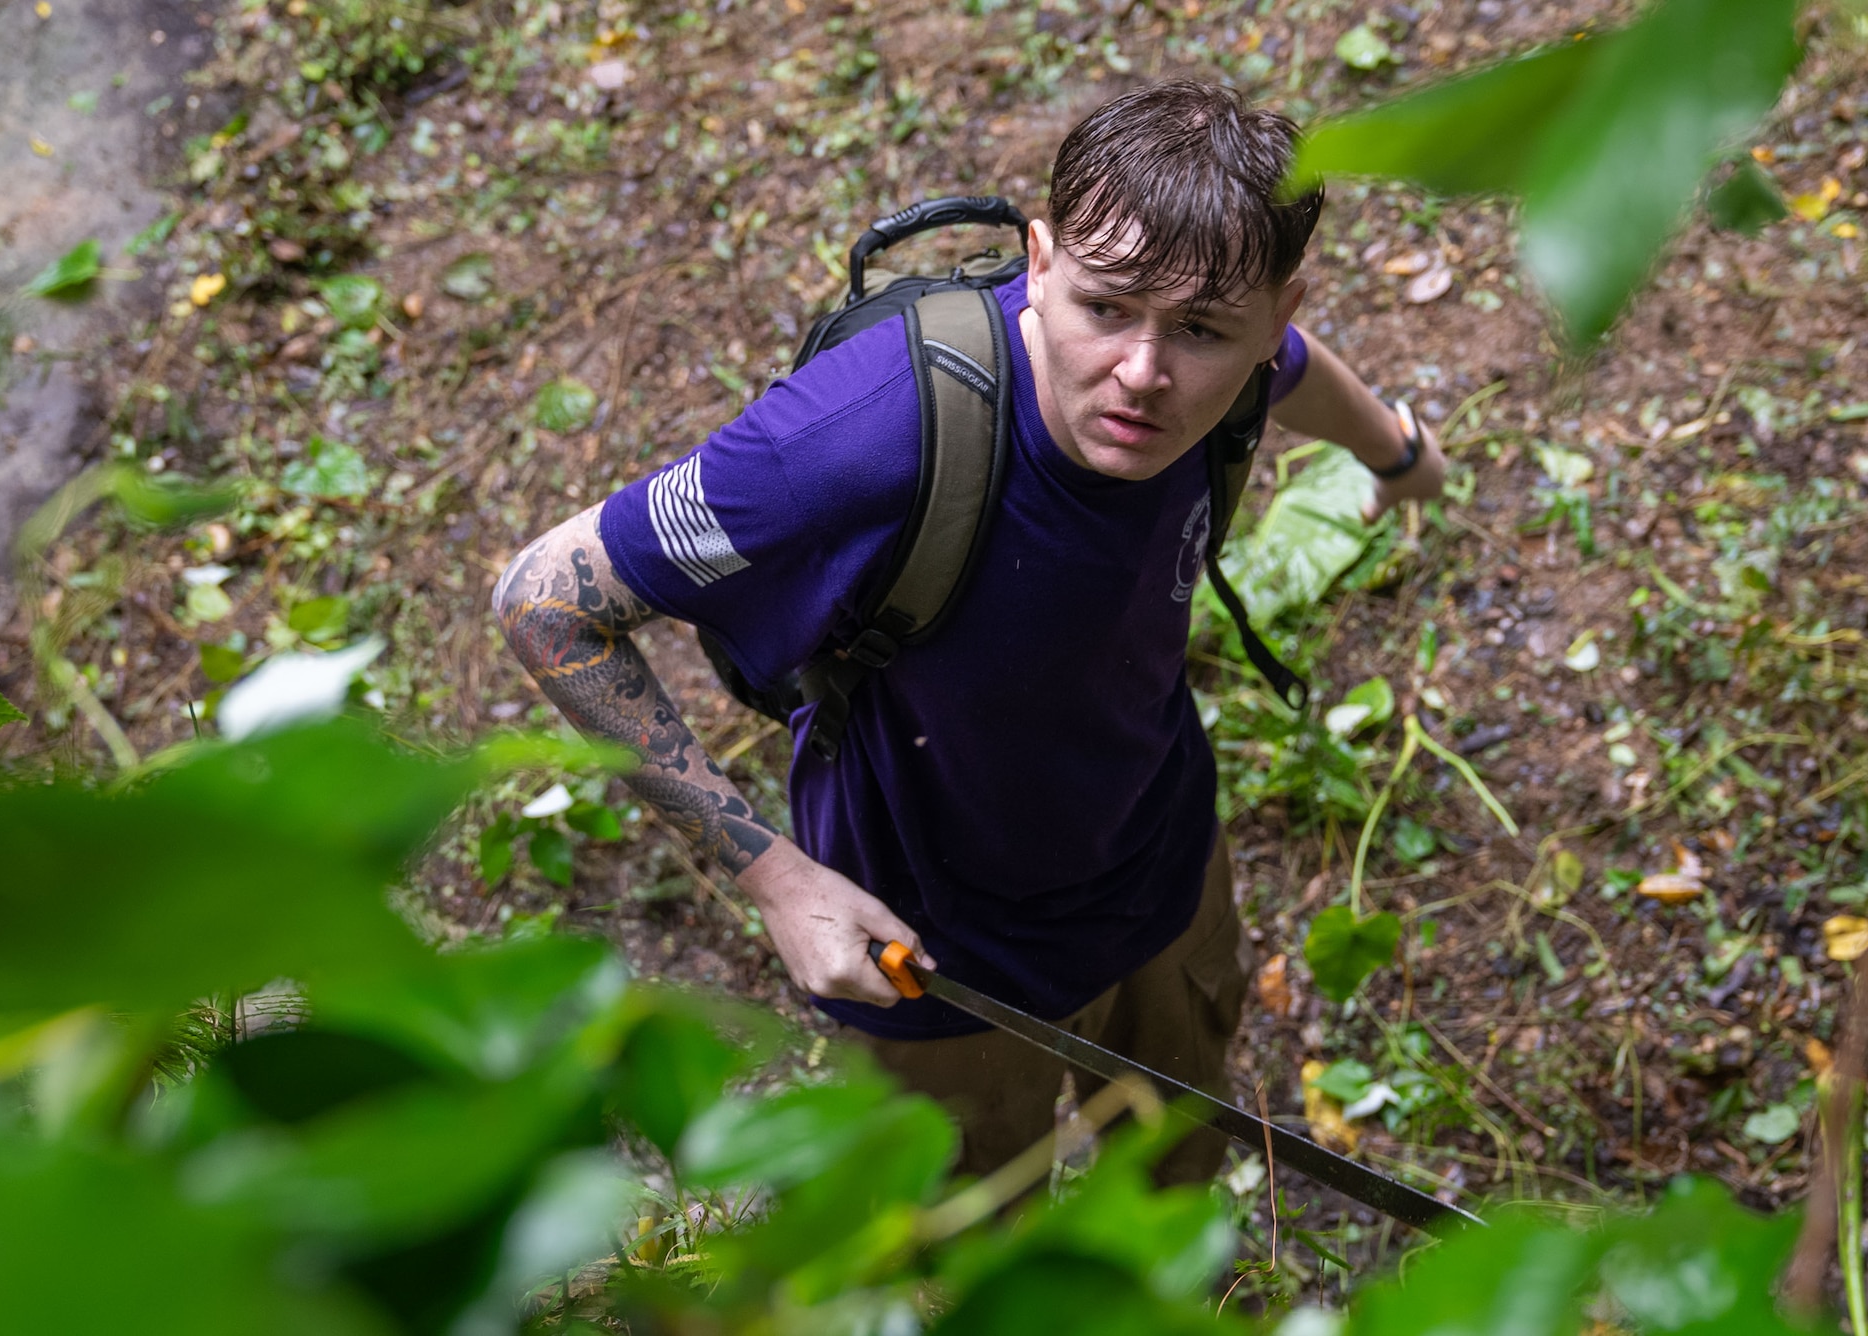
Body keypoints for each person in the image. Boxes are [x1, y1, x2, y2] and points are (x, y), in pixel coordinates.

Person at [492, 80, 1445, 1182]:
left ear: (1273, 310)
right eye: (1102, 309)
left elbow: (1287, 371)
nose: (1141, 374)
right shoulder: (860, 436)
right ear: (1037, 263)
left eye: (1197, 330)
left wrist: (1391, 449)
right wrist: (775, 880)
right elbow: (542, 598)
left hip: (1156, 864)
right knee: (972, 1233)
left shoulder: (1231, 361)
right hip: (936, 954)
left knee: (1173, 1171)